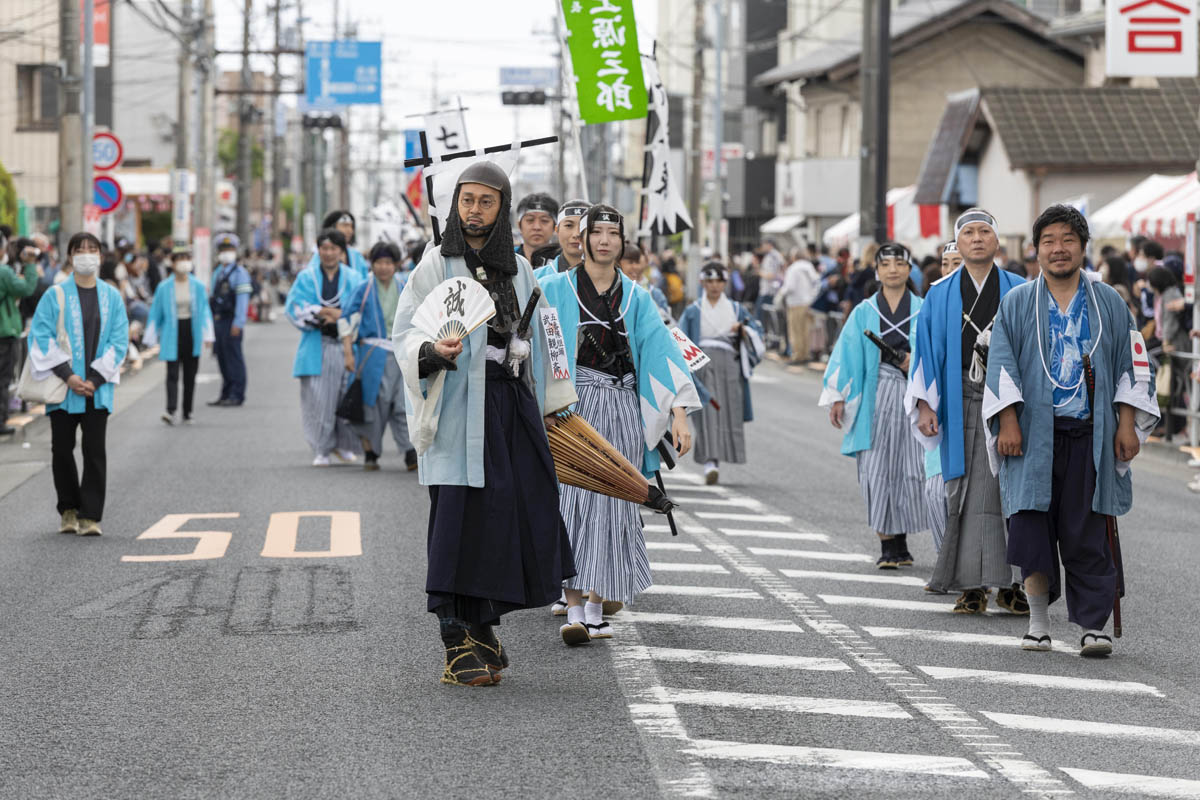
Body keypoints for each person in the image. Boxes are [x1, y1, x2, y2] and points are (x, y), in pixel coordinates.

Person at [393, 160, 578, 686]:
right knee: (456, 519)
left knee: (507, 515)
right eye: (467, 200)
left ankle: (482, 623)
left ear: (502, 208)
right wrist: (431, 348)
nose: (474, 211)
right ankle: (455, 639)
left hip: (509, 406)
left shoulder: (520, 269)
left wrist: (553, 402)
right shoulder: (434, 264)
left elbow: (540, 340)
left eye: (486, 202)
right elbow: (405, 331)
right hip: (454, 404)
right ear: (455, 205)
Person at [985, 205, 1158, 656]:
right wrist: (1007, 420)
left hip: (1091, 435)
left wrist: (1126, 425)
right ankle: (1038, 621)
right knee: (1031, 527)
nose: (1058, 249)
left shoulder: (1110, 303)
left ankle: (1092, 625)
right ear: (1036, 249)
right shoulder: (1018, 302)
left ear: (1082, 246)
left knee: (1088, 531)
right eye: (1049, 241)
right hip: (1030, 435)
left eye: (1067, 239)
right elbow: (1001, 365)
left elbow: (1132, 365)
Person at [540, 204, 698, 645]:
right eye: (597, 232)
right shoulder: (551, 288)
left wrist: (680, 415)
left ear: (622, 240)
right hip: (571, 407)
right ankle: (572, 607)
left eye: (613, 232)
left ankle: (595, 606)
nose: (604, 240)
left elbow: (662, 356)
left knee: (614, 504)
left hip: (623, 406)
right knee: (569, 503)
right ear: (582, 238)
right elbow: (529, 340)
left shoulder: (638, 298)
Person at [906, 209, 1028, 614]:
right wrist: (925, 403)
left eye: (985, 232)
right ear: (957, 244)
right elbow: (924, 354)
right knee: (960, 490)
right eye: (969, 233)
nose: (977, 239)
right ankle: (970, 585)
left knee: (1009, 490)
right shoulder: (939, 294)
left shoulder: (1019, 288)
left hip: (1009, 398)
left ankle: (1014, 583)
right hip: (957, 395)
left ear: (998, 242)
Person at [821, 243, 928, 568]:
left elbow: (938, 350)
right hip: (874, 391)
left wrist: (918, 362)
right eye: (886, 264)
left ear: (909, 269)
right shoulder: (864, 311)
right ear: (877, 270)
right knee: (876, 468)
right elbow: (845, 353)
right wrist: (837, 395)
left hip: (914, 392)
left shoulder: (924, 307)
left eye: (900, 263)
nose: (893, 269)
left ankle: (902, 540)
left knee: (912, 465)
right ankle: (886, 545)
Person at [27, 233, 129, 536]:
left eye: (92, 249)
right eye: (80, 250)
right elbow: (40, 337)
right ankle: (68, 508)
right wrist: (68, 375)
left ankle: (90, 516)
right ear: (70, 256)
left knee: (94, 450)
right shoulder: (55, 295)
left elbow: (119, 340)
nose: (86, 254)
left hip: (98, 389)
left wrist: (95, 379)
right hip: (62, 387)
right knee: (61, 449)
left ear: (100, 255)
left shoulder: (112, 296)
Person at [678, 262, 763, 484]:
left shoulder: (736, 309)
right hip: (702, 363)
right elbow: (681, 340)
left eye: (718, 281)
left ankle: (723, 455)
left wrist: (743, 330)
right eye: (710, 281)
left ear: (725, 283)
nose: (714, 286)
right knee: (708, 411)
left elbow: (757, 332)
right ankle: (710, 461)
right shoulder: (693, 310)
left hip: (730, 363)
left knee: (728, 411)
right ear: (703, 283)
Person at [285, 229, 363, 466]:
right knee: (317, 399)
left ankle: (345, 444)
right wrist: (325, 313)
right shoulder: (307, 277)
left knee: (344, 396)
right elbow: (295, 307)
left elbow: (359, 310)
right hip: (317, 343)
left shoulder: (353, 278)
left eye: (333, 249)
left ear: (341, 252)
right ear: (318, 250)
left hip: (347, 345)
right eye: (324, 248)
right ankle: (321, 447)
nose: (328, 253)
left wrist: (334, 313)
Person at [341, 241, 416, 472]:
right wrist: (347, 352)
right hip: (371, 355)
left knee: (404, 404)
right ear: (372, 264)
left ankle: (410, 452)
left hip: (402, 352)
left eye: (388, 262)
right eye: (378, 263)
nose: (383, 267)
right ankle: (370, 451)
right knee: (372, 403)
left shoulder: (406, 285)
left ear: (395, 265)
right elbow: (345, 319)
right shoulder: (363, 289)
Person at [145, 246, 215, 425]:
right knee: (172, 373)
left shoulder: (198, 286)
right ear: (173, 263)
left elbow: (205, 311)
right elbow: (156, 312)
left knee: (190, 375)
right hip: (172, 332)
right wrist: (150, 337)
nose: (184, 262)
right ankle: (170, 409)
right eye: (180, 259)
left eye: (187, 258)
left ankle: (187, 410)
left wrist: (208, 335)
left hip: (192, 331)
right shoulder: (164, 287)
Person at [1, 233, 39, 434]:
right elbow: (26, 288)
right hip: (4, 332)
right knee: (3, 378)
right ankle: (1, 420)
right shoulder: (4, 272)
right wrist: (30, 264)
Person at [207, 233, 252, 407]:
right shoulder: (218, 272)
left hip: (231, 320)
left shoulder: (239, 273)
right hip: (218, 320)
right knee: (222, 358)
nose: (226, 253)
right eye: (223, 250)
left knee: (234, 358)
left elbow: (242, 300)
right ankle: (225, 392)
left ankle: (237, 393)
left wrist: (238, 323)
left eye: (230, 249)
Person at [533, 199, 589, 281]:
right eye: (569, 225)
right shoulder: (536, 278)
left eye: (583, 226)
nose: (576, 234)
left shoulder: (608, 277)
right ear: (557, 230)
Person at [781, 253, 821, 364]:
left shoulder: (792, 269)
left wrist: (781, 293)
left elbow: (790, 287)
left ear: (794, 257)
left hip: (795, 303)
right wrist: (812, 296)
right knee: (806, 330)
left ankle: (798, 355)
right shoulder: (810, 268)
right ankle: (806, 354)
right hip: (808, 303)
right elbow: (818, 283)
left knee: (795, 331)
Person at [619, 241, 671, 323]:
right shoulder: (614, 292)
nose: (635, 267)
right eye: (630, 262)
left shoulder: (653, 293)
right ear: (618, 263)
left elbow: (665, 324)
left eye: (637, 262)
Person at [308, 210, 370, 279]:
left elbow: (365, 281)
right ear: (332, 227)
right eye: (345, 226)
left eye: (351, 227)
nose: (349, 230)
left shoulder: (356, 256)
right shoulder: (322, 254)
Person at [514, 192, 560, 266]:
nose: (537, 227)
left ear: (555, 227)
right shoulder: (507, 259)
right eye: (530, 220)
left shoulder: (562, 262)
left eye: (544, 221)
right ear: (519, 225)